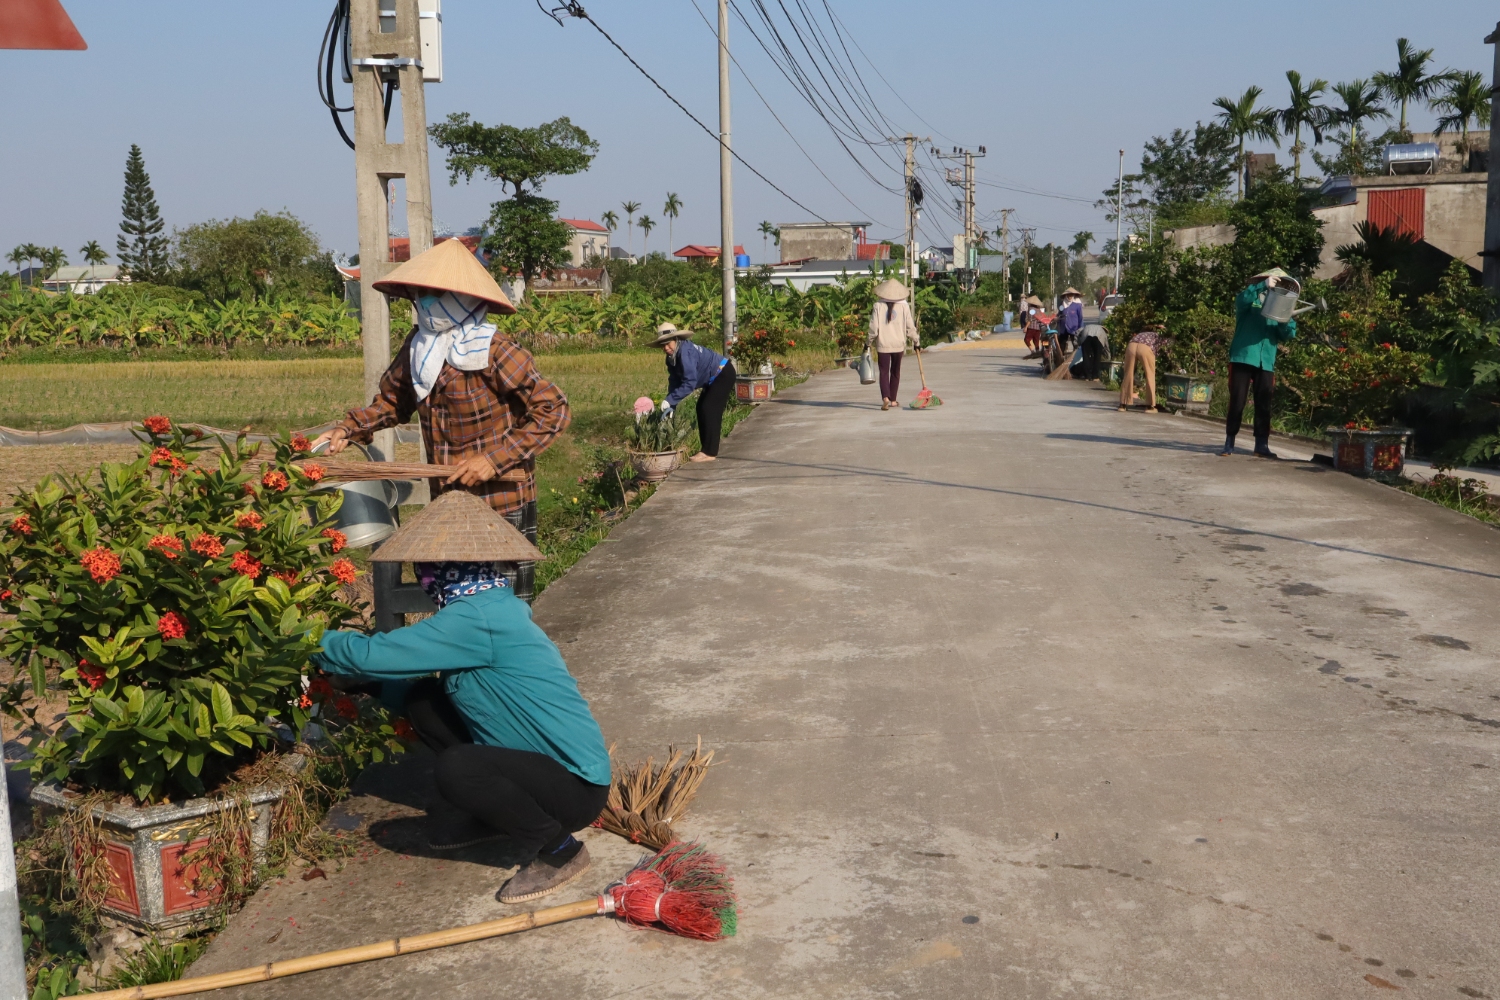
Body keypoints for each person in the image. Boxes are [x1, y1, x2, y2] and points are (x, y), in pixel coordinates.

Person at [312, 491, 611, 904]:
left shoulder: (475, 618)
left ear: (444, 568)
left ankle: (560, 850)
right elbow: (392, 674)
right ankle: (497, 815)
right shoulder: (488, 603)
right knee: (423, 699)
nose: (423, 577)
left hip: (574, 788)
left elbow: (372, 654)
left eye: (425, 568)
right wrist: (364, 684)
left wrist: (303, 638)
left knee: (459, 767)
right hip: (542, 772)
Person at [313, 240, 569, 603]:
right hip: (448, 501)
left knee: (503, 611)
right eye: (420, 294)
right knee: (458, 608)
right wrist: (349, 428)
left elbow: (554, 410)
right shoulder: (418, 346)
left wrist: (493, 460)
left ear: (462, 297)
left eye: (434, 294)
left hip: (500, 502)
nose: (425, 302)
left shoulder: (494, 349)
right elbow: (392, 401)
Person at [1222, 268, 1299, 458]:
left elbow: (1289, 334)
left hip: (1266, 361)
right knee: (1237, 401)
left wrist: (1285, 319)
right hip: (1243, 356)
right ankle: (1229, 441)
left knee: (1264, 403)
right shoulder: (1250, 302)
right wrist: (1262, 286)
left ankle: (1261, 445)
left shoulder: (1281, 308)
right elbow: (1241, 300)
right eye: (1273, 282)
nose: (1275, 286)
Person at [653, 322, 737, 462]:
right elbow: (674, 380)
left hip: (722, 373)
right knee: (701, 408)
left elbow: (690, 383)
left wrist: (671, 400)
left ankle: (709, 453)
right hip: (712, 378)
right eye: (663, 345)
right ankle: (706, 450)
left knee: (709, 409)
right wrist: (671, 403)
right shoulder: (671, 358)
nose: (666, 348)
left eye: (668, 343)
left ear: (676, 339)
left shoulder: (685, 353)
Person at [868, 278, 919, 410]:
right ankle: (893, 400)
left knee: (884, 372)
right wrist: (916, 341)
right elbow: (910, 326)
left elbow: (873, 328)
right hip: (898, 344)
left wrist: (868, 342)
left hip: (883, 345)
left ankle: (885, 398)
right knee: (895, 372)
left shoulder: (878, 306)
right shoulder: (904, 306)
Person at [1118, 323, 1168, 412]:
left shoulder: (1141, 334)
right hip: (1145, 347)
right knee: (1150, 375)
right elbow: (1168, 349)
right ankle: (1150, 406)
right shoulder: (1158, 336)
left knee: (1128, 374)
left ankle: (1122, 404)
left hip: (1131, 346)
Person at [1057, 288, 1085, 354]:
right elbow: (1059, 313)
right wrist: (1056, 318)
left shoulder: (1077, 305)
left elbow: (1080, 317)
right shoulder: (1062, 305)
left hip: (1074, 328)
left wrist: (1080, 329)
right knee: (1061, 345)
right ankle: (1061, 358)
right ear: (1066, 295)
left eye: (1071, 295)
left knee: (1076, 345)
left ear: (1073, 295)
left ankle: (1076, 357)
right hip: (1064, 329)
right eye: (1068, 295)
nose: (1070, 296)